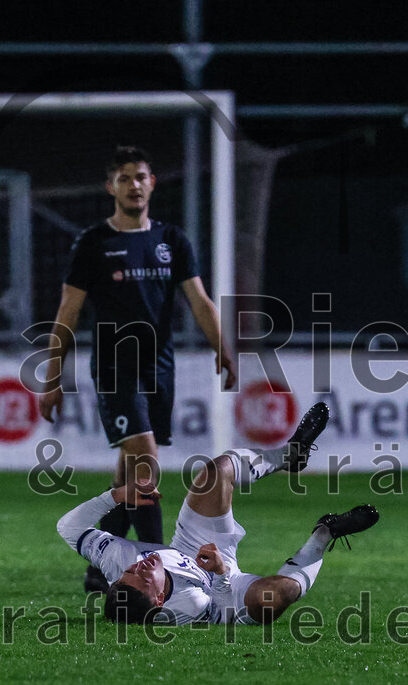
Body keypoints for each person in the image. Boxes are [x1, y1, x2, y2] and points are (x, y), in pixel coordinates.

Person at [40, 146, 237, 594]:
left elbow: (200, 301)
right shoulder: (94, 243)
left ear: (152, 183)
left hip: (159, 368)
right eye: (125, 178)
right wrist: (52, 377)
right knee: (146, 457)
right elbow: (68, 311)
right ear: (111, 187)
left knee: (129, 472)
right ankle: (158, 559)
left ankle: (98, 563)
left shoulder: (172, 240)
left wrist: (224, 348)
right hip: (114, 368)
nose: (134, 185)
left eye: (142, 177)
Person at [57, 403, 380, 625]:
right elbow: (222, 604)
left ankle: (290, 455)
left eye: (130, 573)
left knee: (215, 472)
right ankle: (324, 533)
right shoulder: (185, 606)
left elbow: (67, 528)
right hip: (224, 589)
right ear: (158, 601)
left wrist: (116, 495)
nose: (139, 568)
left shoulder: (119, 559)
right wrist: (223, 571)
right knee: (276, 597)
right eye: (143, 579)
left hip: (190, 547)